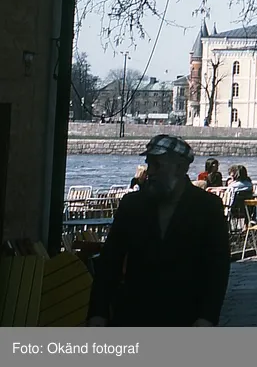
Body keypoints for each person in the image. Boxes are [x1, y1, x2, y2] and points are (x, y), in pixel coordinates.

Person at [87, 135, 229, 326]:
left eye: (157, 165)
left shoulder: (207, 207)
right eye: (149, 164)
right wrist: (98, 313)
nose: (150, 172)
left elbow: (217, 268)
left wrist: (207, 317)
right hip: (133, 316)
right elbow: (110, 261)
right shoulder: (132, 205)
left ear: (180, 167)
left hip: (185, 316)